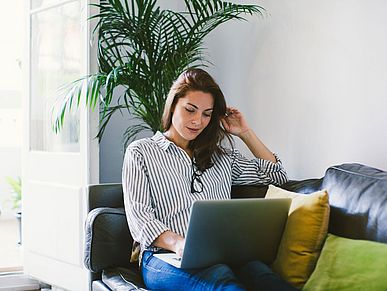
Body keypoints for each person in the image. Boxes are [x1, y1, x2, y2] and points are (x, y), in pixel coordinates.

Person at [122, 68, 296, 291]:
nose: (198, 121)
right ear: (173, 105)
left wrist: (245, 132)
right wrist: (179, 243)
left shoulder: (221, 157)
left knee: (264, 277)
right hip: (163, 257)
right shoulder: (141, 152)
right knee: (222, 280)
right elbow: (140, 220)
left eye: (207, 114)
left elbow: (276, 175)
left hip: (224, 253)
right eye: (190, 110)